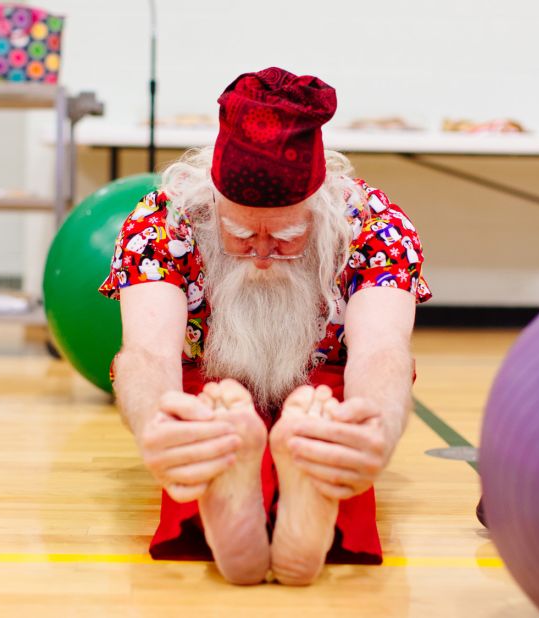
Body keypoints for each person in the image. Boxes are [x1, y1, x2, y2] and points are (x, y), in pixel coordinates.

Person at [99, 67, 432, 585]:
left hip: (324, 385)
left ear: (320, 206)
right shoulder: (159, 224)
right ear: (211, 202)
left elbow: (381, 353)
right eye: (238, 233)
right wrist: (155, 429)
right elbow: (147, 355)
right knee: (207, 424)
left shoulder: (377, 226)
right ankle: (230, 491)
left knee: (332, 428)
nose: (259, 254)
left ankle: (308, 494)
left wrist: (378, 435)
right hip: (211, 382)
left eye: (286, 237)